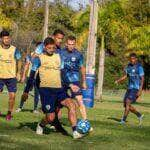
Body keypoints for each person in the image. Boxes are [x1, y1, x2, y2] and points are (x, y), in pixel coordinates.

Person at [25, 37, 84, 139]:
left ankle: (75, 132)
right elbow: (31, 76)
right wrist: (26, 91)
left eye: (53, 48)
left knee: (72, 104)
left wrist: (70, 85)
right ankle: (41, 125)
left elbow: (63, 73)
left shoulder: (58, 57)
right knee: (50, 117)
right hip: (46, 91)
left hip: (59, 89)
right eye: (49, 48)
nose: (51, 50)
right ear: (44, 47)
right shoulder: (39, 59)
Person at [115, 53, 144, 125]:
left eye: (133, 59)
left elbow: (142, 79)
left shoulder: (139, 67)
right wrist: (118, 80)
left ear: (136, 59)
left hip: (136, 89)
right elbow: (126, 76)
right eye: (131, 59)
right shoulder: (128, 66)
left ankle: (123, 120)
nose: (132, 60)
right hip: (129, 88)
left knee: (128, 102)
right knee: (126, 105)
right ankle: (139, 115)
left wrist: (140, 90)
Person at [0, 30, 21, 120]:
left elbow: (19, 60)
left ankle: (9, 113)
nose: (7, 40)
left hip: (11, 77)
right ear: (1, 39)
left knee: (12, 96)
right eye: (5, 38)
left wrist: (19, 72)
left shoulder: (14, 49)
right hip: (0, 76)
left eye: (8, 38)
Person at [16, 42, 42, 113]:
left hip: (38, 78)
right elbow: (26, 65)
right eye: (38, 47)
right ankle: (20, 107)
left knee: (37, 94)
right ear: (36, 47)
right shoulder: (30, 55)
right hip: (30, 77)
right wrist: (23, 75)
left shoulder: (44, 56)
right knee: (25, 92)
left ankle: (35, 109)